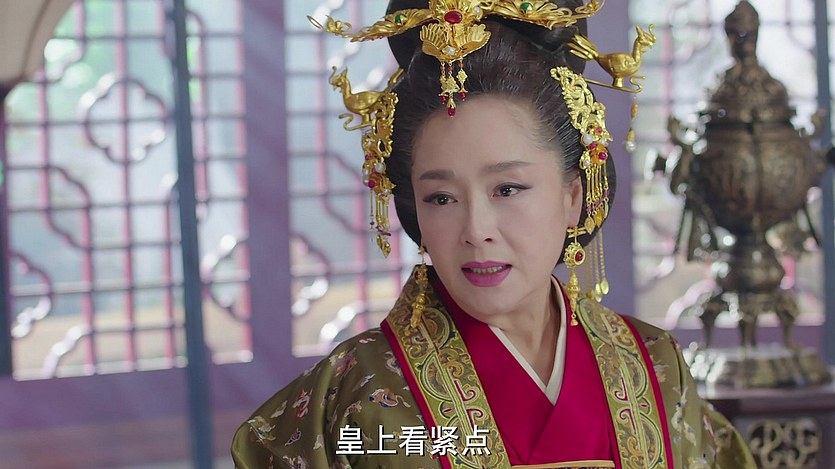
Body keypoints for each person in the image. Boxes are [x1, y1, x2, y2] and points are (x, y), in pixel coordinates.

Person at [231, 1, 756, 468]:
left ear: (574, 195)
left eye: (507, 189)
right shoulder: (352, 399)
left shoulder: (654, 368)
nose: (476, 231)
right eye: (441, 198)